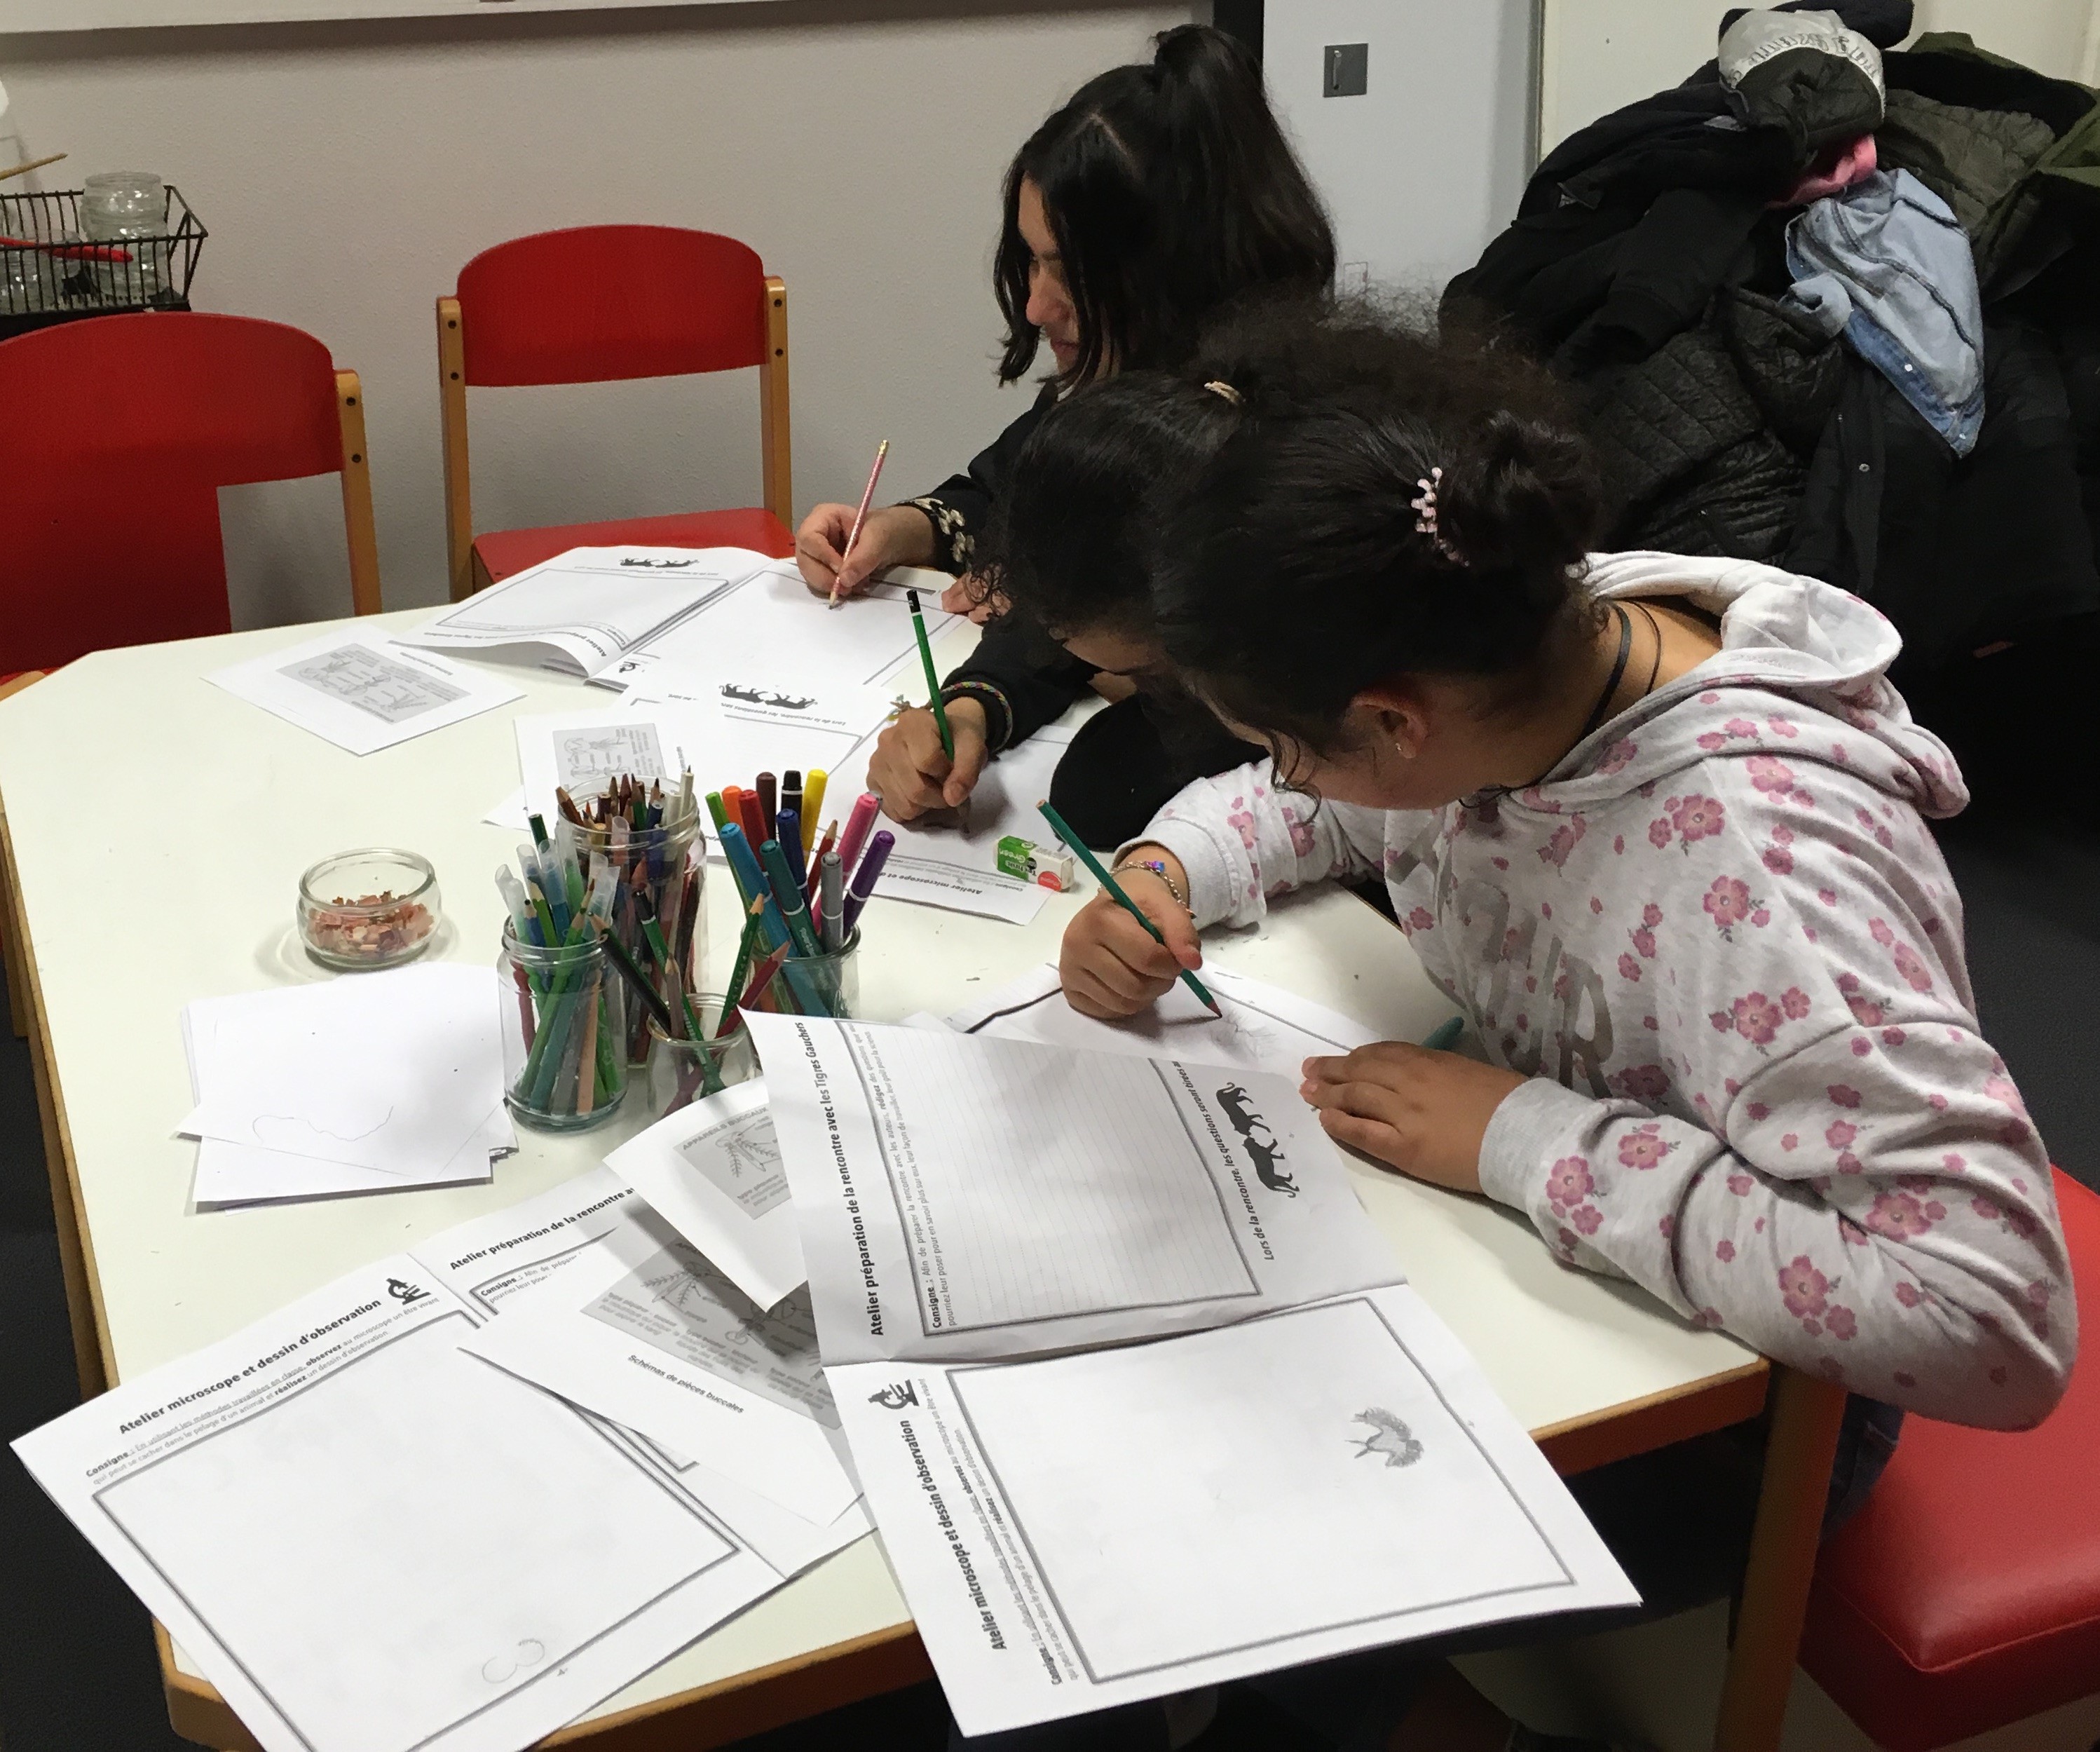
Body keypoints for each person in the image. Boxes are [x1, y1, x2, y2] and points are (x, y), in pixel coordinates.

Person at [983, 306, 2075, 1751]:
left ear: (1394, 719)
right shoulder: (1500, 633)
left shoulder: (1761, 875)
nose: (1280, 776)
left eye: (1279, 740)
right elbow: (1321, 794)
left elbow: (1985, 1311)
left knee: (1227, 1540)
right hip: (1543, 1269)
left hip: (1739, 1414)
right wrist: (1184, 861)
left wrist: (1521, 1135)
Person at [791, 22, 1335, 846]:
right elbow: (1004, 488)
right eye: (1030, 262)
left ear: (1172, 272)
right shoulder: (1124, 376)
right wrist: (902, 533)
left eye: (1069, 274)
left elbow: (1128, 709)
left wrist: (1068, 652)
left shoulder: (1265, 455)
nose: (1039, 307)